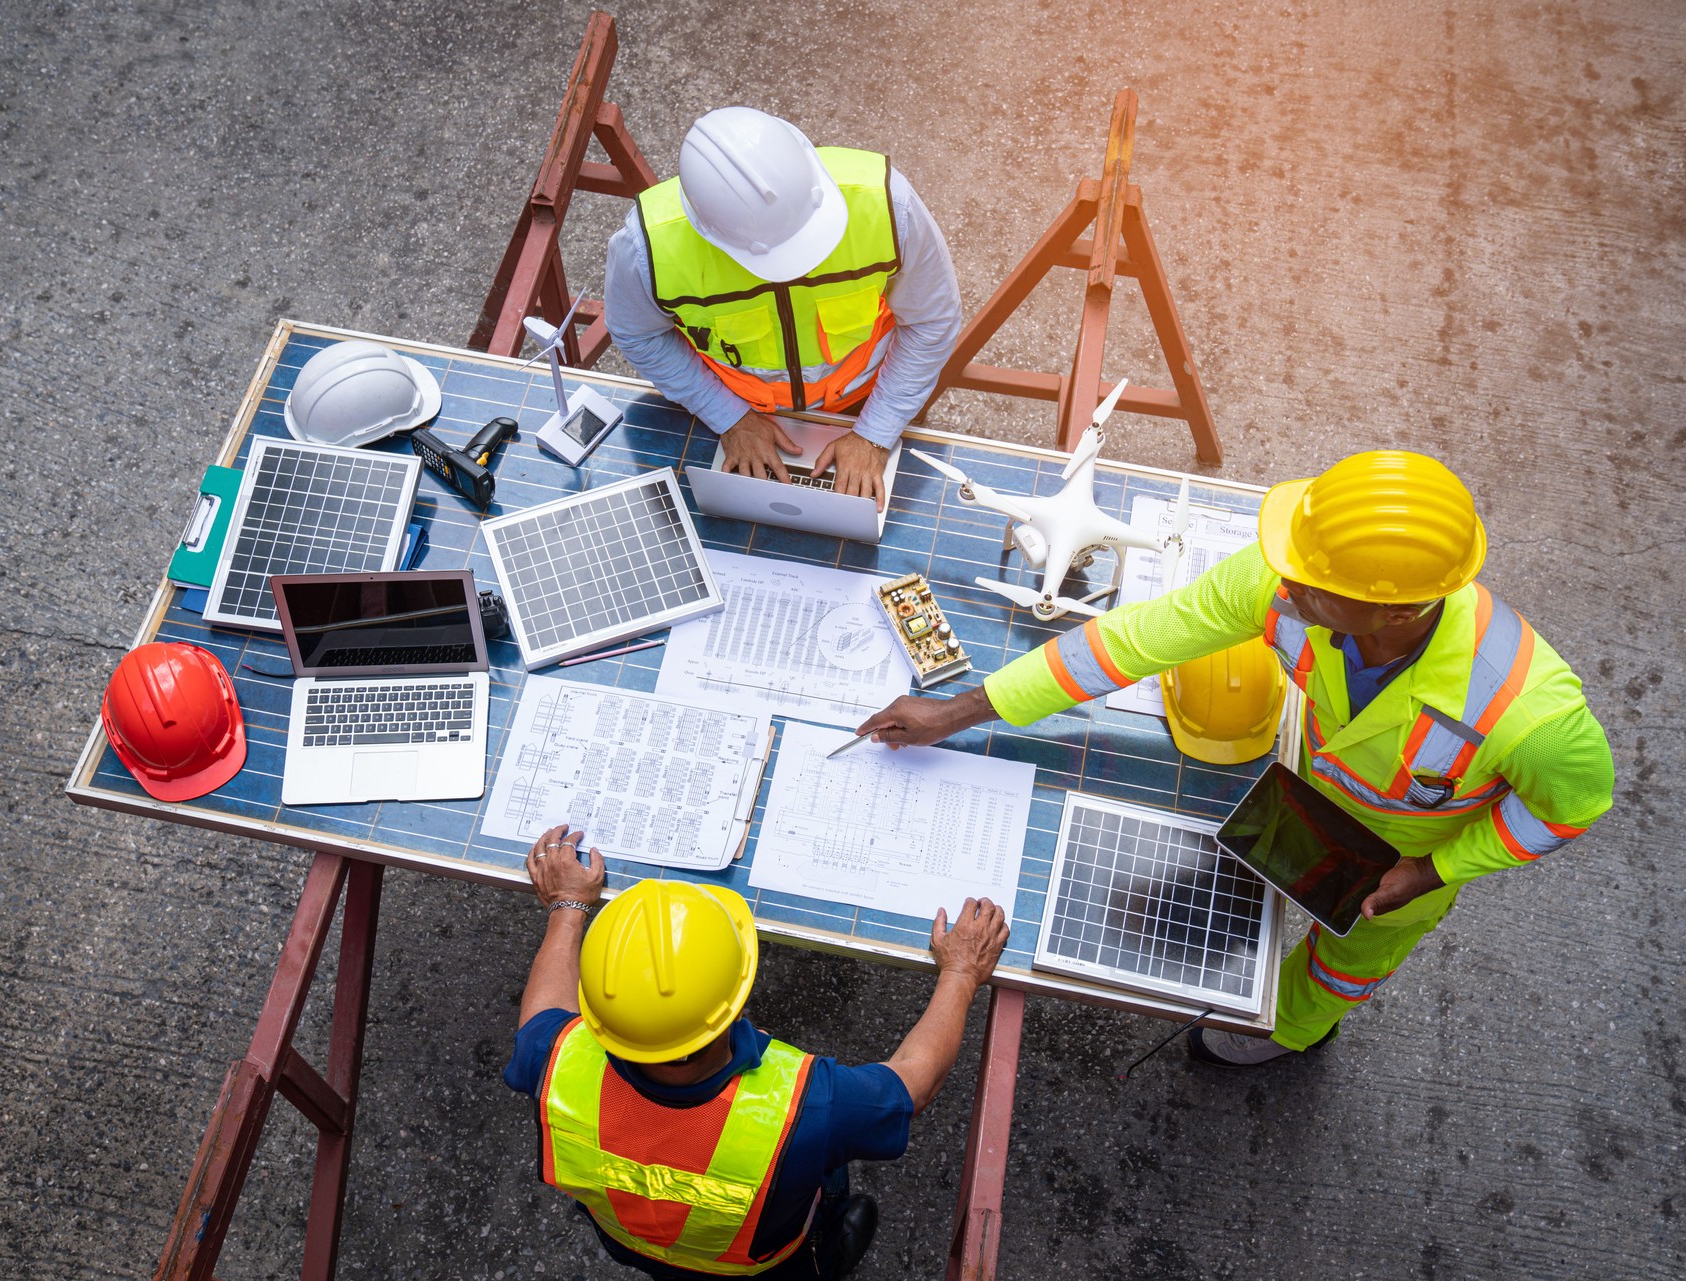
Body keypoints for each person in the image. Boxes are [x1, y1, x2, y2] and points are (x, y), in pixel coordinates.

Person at [854, 450, 1615, 1067]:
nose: (1281, 584)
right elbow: (1129, 641)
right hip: (1302, 801)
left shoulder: (1528, 711)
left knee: (1340, 965)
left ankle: (1294, 1031)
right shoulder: (1288, 589)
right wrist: (954, 713)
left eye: (1312, 581)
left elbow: (1568, 808)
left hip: (1401, 868)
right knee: (1244, 905)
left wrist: (1432, 872)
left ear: (1395, 610)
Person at [505, 824, 1009, 1278]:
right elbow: (911, 1085)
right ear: (735, 1002)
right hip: (767, 1269)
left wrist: (567, 908)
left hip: (632, 1243)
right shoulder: (805, 1107)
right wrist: (962, 972)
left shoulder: (552, 1060)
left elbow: (543, 1012)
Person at [603, 107, 962, 509]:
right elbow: (638, 333)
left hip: (872, 399)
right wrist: (726, 416)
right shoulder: (645, 249)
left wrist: (875, 434)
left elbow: (932, 321)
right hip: (728, 414)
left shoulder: (888, 206)